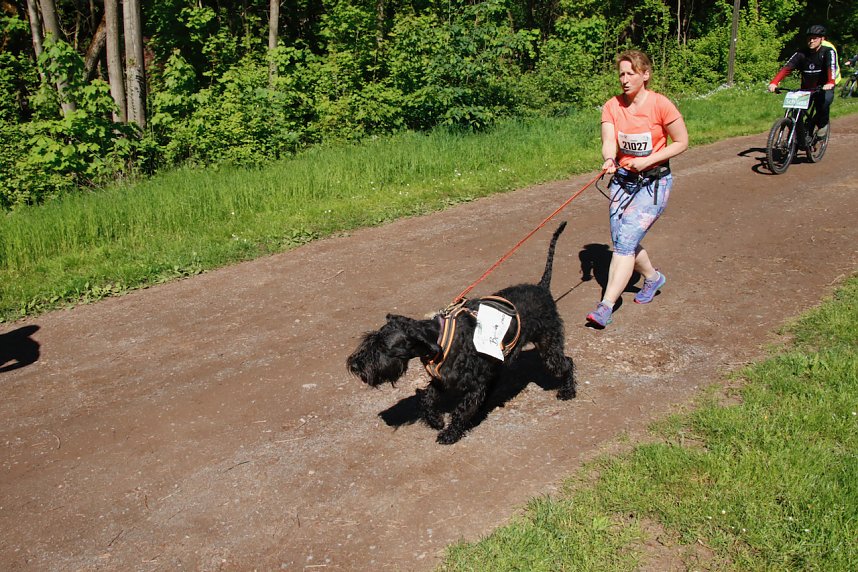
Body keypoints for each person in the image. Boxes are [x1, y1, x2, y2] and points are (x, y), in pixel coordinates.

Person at [586, 50, 688, 328]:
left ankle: (606, 306)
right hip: (621, 181)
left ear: (645, 75)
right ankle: (654, 279)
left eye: (631, 73)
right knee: (624, 240)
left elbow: (681, 141)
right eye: (621, 73)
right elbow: (609, 140)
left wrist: (648, 160)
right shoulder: (612, 106)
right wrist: (609, 159)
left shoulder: (661, 105)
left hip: (654, 183)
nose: (625, 79)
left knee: (624, 243)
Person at [767, 25, 836, 137]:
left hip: (823, 88)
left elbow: (831, 67)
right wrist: (774, 82)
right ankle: (798, 138)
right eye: (809, 38)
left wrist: (830, 82)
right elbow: (787, 67)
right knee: (796, 113)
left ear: (822, 39)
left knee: (824, 104)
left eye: (815, 38)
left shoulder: (828, 52)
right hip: (806, 89)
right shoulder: (801, 53)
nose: (811, 41)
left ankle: (822, 125)